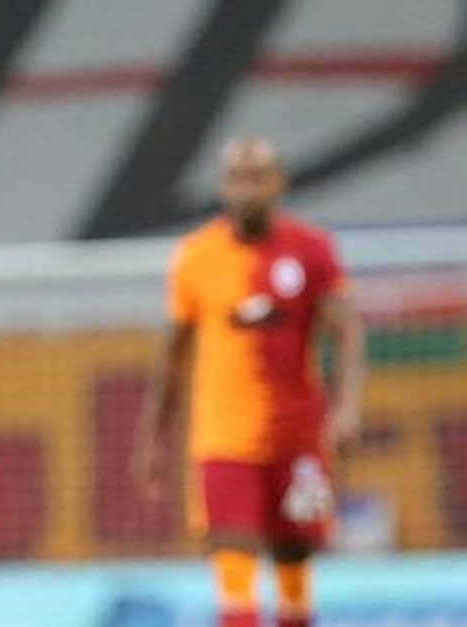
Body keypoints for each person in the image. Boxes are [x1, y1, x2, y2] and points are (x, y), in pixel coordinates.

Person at [132, 136, 364, 627]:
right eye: (235, 179)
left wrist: (346, 408)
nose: (245, 190)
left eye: (256, 178)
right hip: (222, 437)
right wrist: (153, 435)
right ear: (222, 186)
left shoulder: (312, 250)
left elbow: (346, 332)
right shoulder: (195, 256)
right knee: (232, 550)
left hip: (299, 436)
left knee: (294, 557)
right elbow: (173, 353)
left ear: (278, 182)